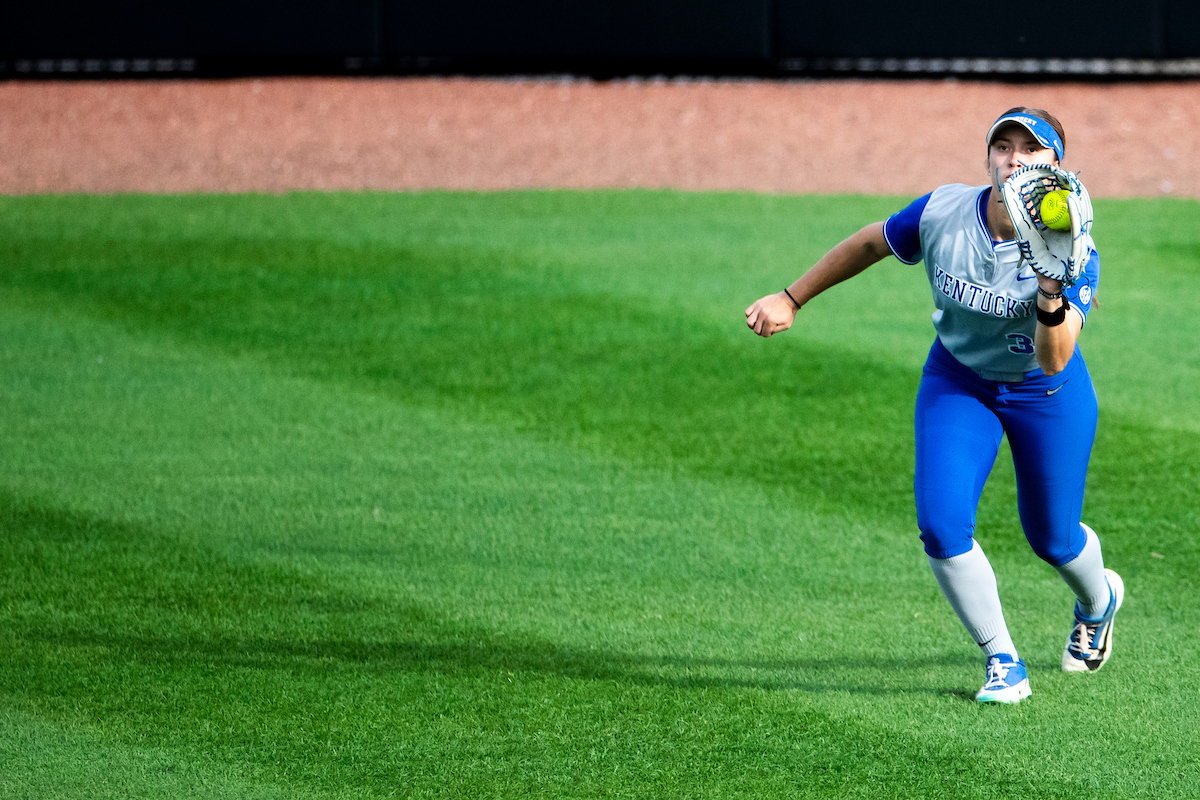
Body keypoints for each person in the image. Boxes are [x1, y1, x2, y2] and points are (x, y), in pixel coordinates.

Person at [744, 108, 1123, 704]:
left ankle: (1099, 601)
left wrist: (1051, 287)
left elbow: (1054, 359)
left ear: (1056, 166)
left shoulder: (1074, 247)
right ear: (988, 157)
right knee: (942, 525)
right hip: (959, 380)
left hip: (1045, 393)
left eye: (1032, 149)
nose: (1015, 159)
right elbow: (871, 241)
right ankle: (1003, 662)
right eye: (1003, 146)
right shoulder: (945, 210)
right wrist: (792, 297)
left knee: (1052, 538)